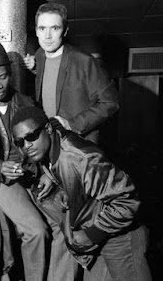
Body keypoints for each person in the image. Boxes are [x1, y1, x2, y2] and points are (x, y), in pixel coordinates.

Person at [11, 106, 152, 281]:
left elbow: (127, 199)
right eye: (20, 142)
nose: (27, 146)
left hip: (121, 239)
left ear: (48, 128)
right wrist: (69, 192)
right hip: (100, 237)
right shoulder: (50, 152)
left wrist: (92, 233)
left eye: (31, 136)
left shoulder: (79, 158)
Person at [0, 41, 53, 281]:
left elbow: (46, 142)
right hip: (1, 181)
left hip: (32, 177)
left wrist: (48, 172)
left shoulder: (27, 103)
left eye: (2, 77)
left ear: (10, 73)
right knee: (36, 231)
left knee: (64, 228)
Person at [23, 3, 119, 144]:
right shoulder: (39, 55)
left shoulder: (85, 61)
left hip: (79, 146)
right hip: (49, 141)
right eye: (42, 28)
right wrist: (34, 68)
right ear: (36, 31)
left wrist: (72, 124)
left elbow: (110, 102)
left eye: (55, 28)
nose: (47, 36)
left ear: (65, 31)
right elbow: (52, 79)